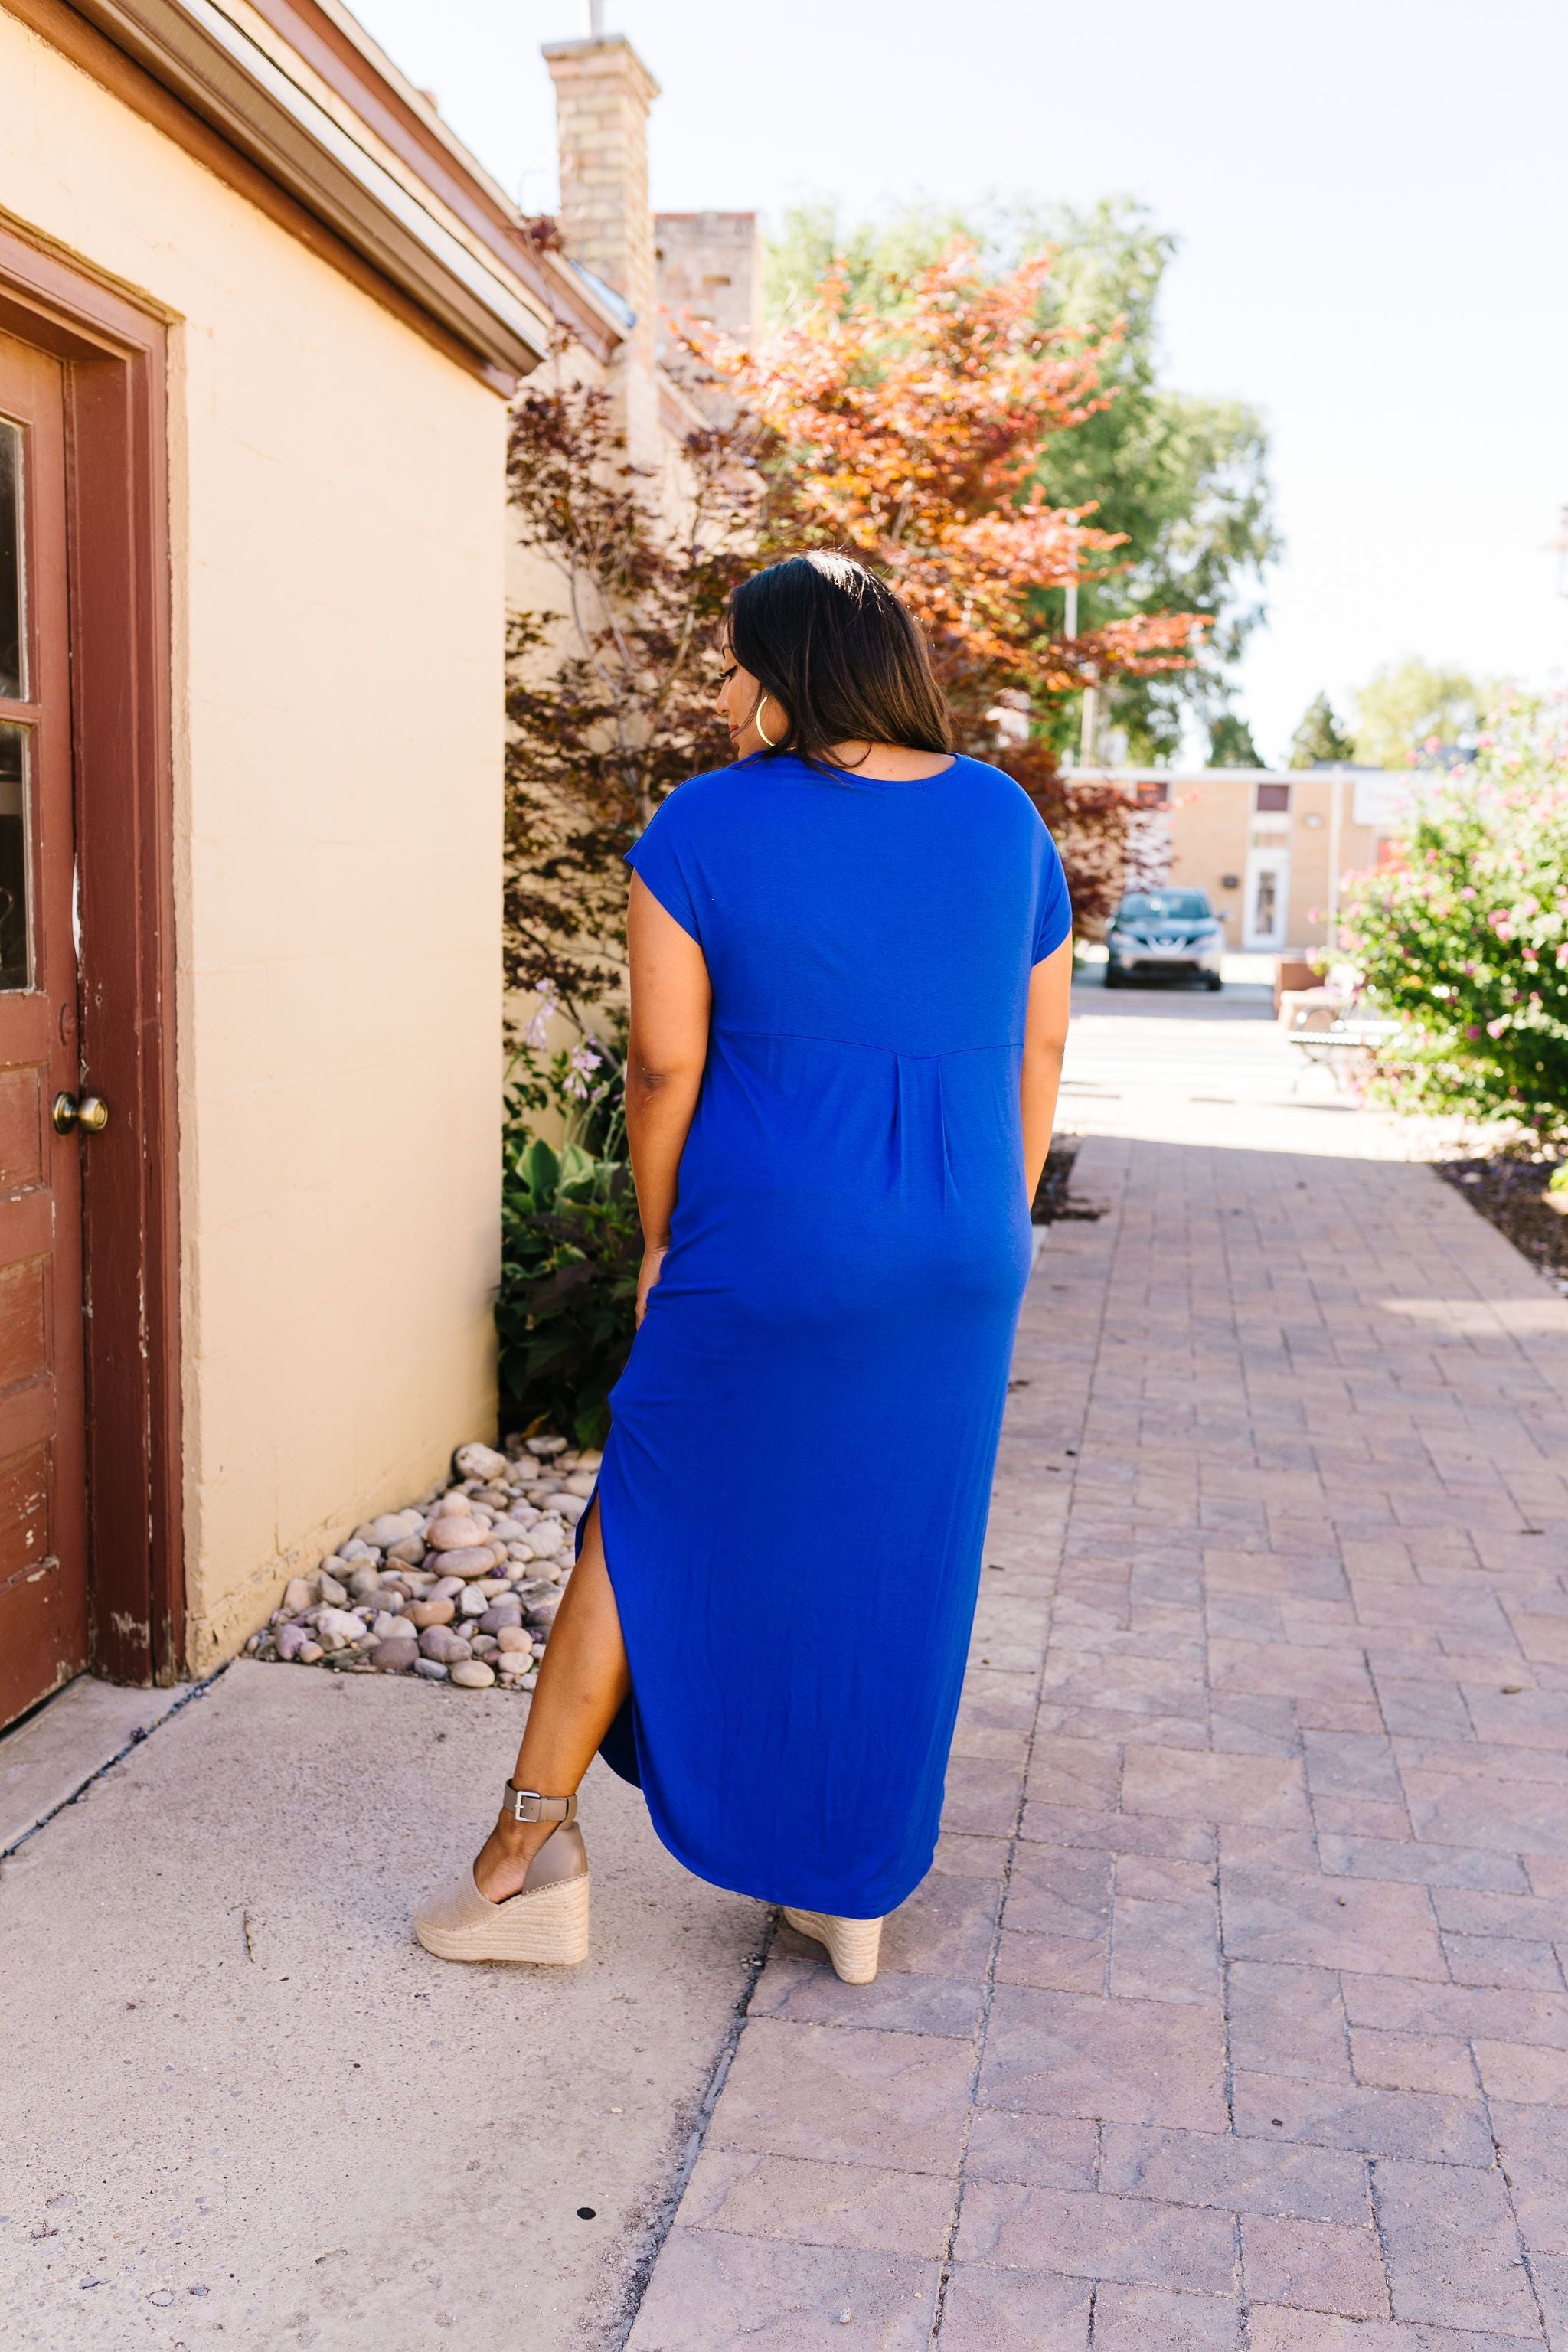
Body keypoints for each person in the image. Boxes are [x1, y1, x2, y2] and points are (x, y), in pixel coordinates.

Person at [414, 552, 1072, 1983]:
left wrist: (661, 1238)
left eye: (733, 666)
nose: (721, 694)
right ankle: (849, 1890)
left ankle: (525, 1861)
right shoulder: (1006, 819)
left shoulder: (706, 823)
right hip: (964, 1249)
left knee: (645, 1519)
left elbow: (664, 1067)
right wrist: (982, 1223)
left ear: (787, 677)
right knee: (896, 1549)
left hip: (770, 1240)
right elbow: (1040, 1049)